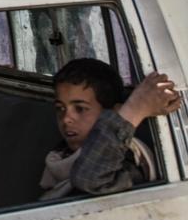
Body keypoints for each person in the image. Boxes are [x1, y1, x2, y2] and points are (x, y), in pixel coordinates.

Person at [39, 58, 182, 200]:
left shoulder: (125, 160)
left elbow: (90, 180)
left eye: (80, 109)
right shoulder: (61, 155)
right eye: (60, 109)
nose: (66, 119)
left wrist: (134, 110)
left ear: (112, 114)